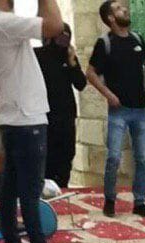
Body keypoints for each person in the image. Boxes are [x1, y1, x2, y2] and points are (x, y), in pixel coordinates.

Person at [0, 0, 76, 243]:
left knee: (11, 186)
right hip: (25, 117)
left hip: (15, 115)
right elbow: (55, 26)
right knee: (30, 189)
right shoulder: (2, 22)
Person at [87, 0, 145, 218]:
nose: (125, 9)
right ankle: (110, 200)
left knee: (142, 159)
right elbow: (90, 73)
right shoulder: (105, 43)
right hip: (119, 111)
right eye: (118, 8)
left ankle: (140, 201)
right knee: (114, 157)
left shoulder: (137, 39)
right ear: (110, 18)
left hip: (140, 110)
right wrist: (108, 94)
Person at [35, 25, 87, 190]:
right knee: (48, 156)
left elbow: (81, 84)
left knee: (66, 154)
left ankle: (62, 187)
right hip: (45, 115)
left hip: (66, 115)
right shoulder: (37, 55)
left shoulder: (68, 56)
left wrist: (72, 63)